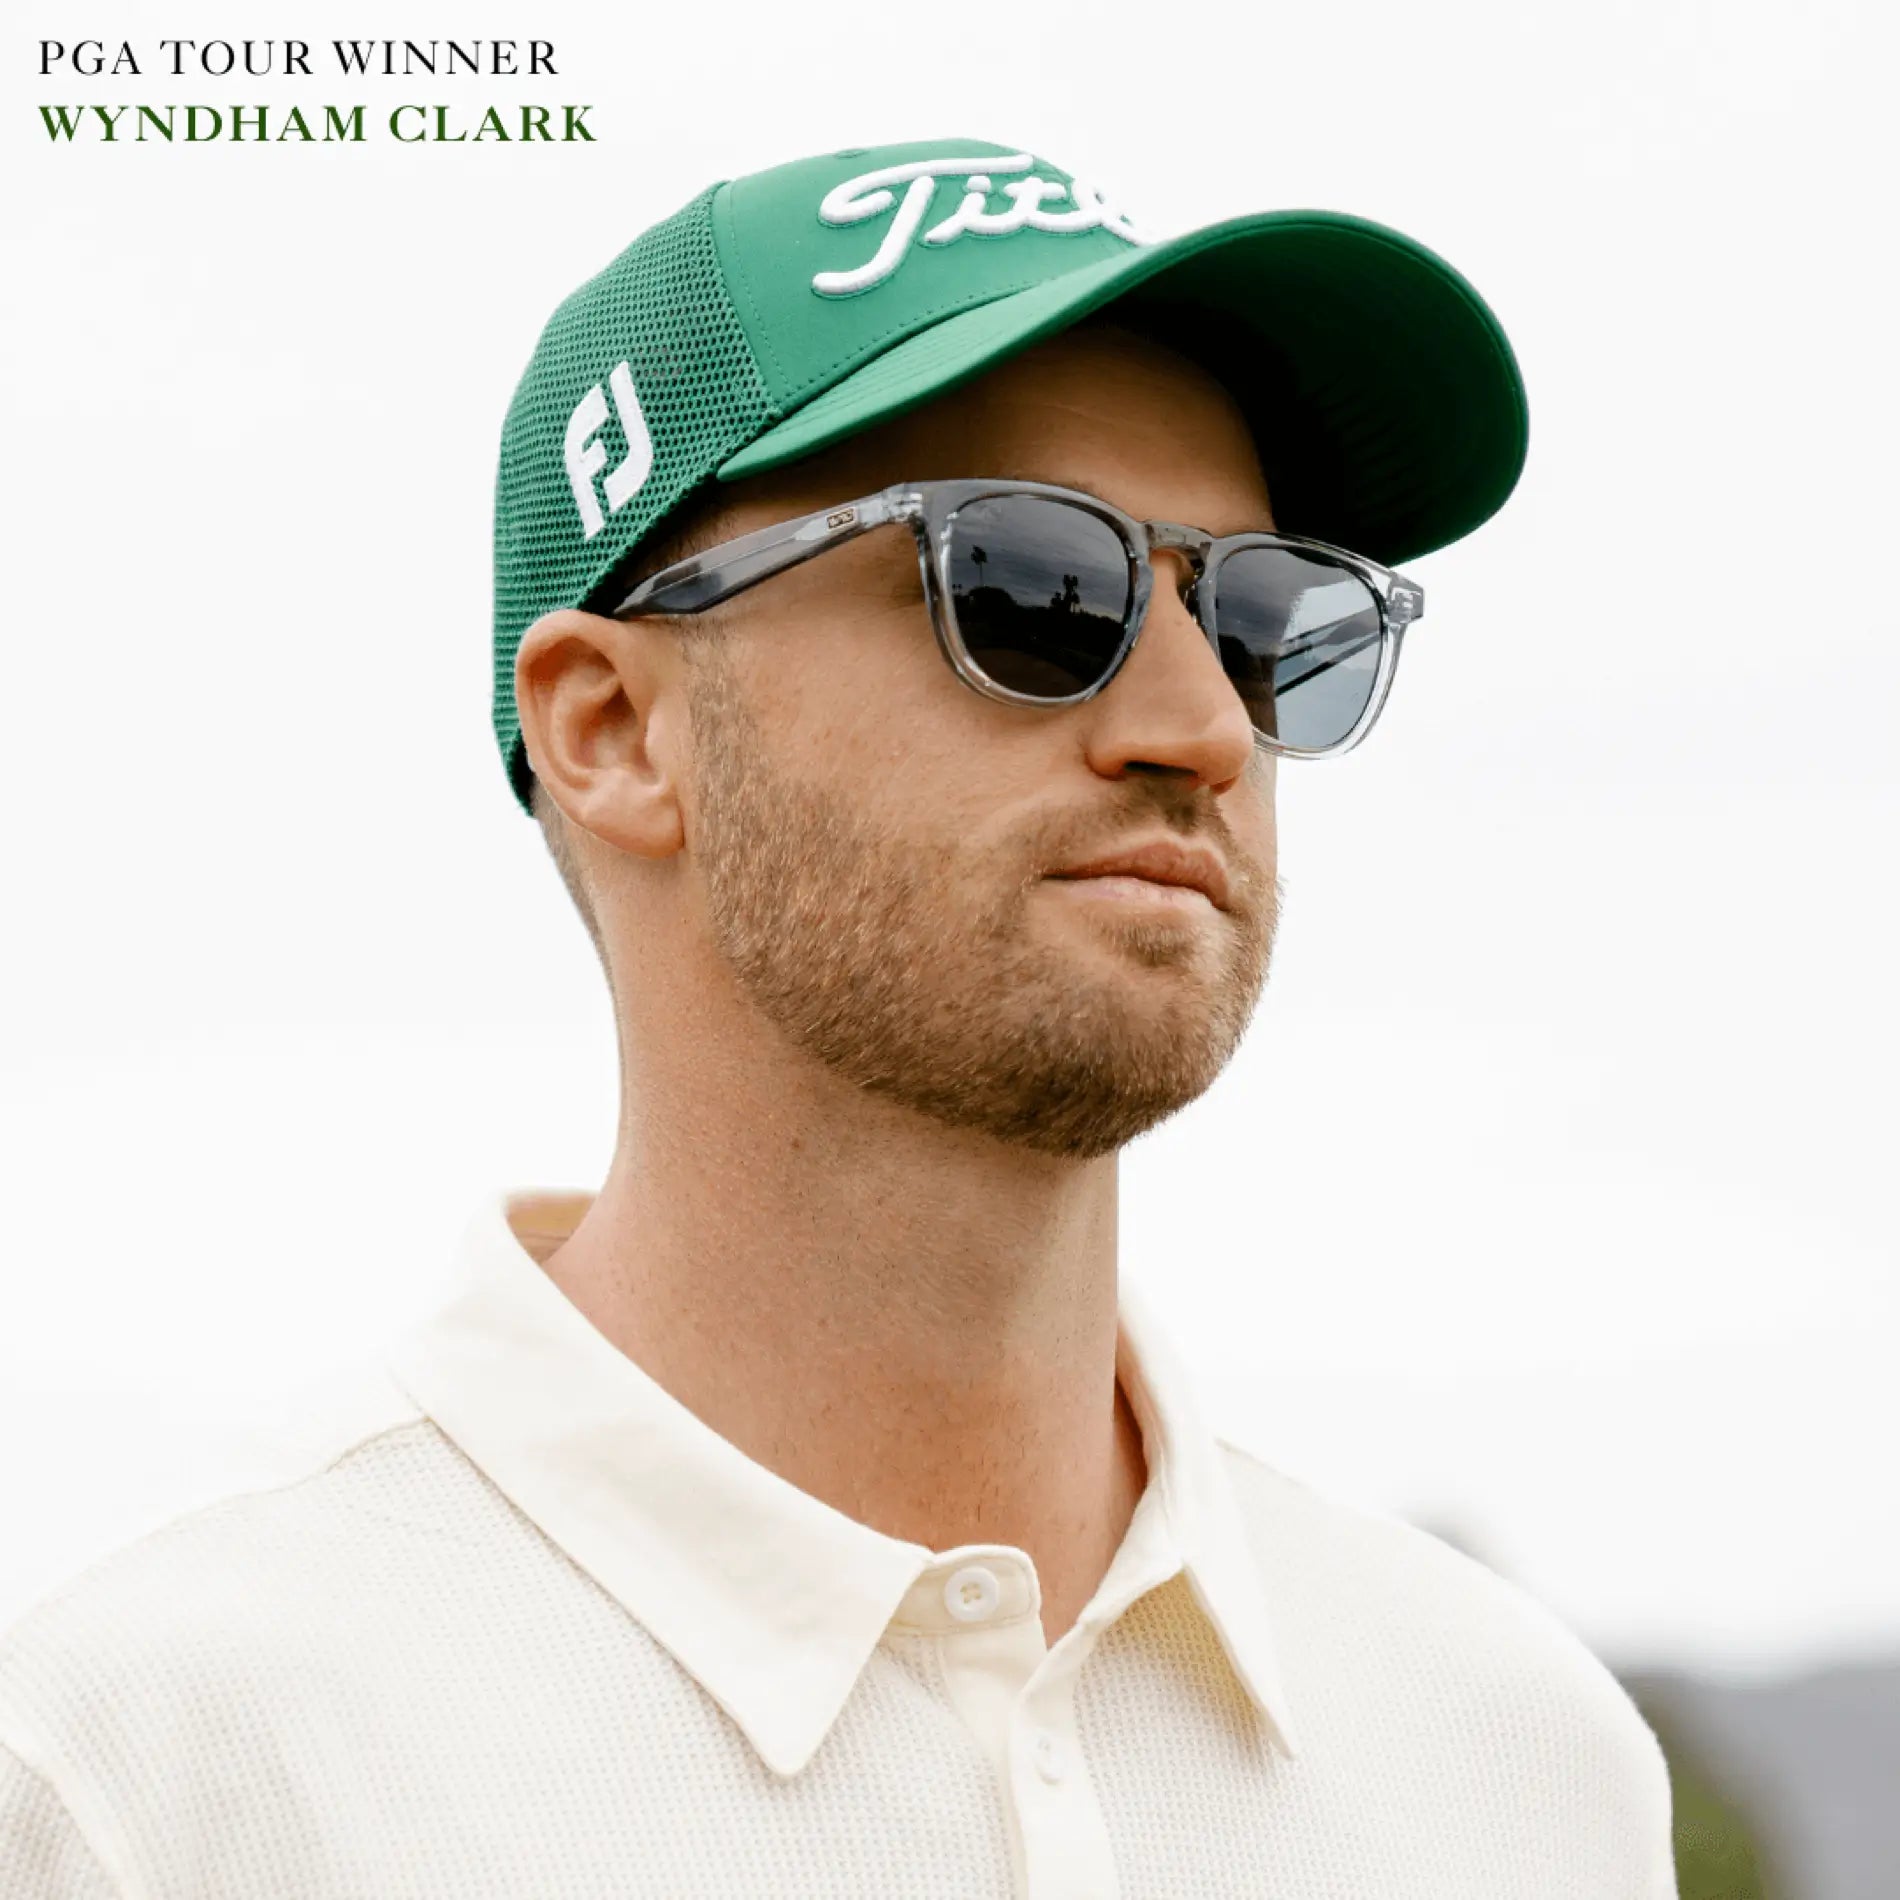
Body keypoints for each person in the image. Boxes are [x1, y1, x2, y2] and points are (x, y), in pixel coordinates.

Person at [0, 136, 1679, 1897]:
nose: (1198, 726)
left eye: (1268, 621)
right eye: (1037, 585)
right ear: (614, 730)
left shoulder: (1519, 1769)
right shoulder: (147, 1774)